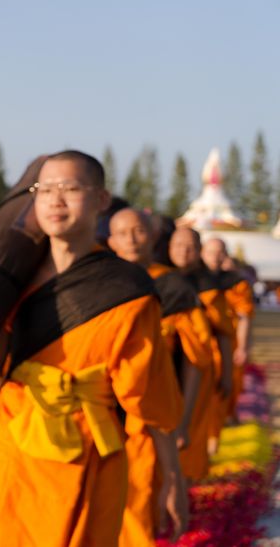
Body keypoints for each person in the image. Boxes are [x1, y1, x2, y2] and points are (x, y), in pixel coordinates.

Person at [0, 150, 184, 546]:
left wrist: (171, 476)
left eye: (70, 188)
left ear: (101, 200)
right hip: (14, 442)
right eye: (45, 189)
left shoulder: (127, 289)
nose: (55, 199)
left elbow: (149, 396)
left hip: (88, 451)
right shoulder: (12, 278)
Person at [107, 207, 205, 545]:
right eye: (122, 233)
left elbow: (195, 360)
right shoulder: (101, 282)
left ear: (153, 236)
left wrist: (184, 418)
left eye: (139, 231)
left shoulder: (172, 286)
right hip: (101, 413)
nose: (131, 240)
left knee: (138, 506)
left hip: (151, 418)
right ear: (110, 240)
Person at [169, 228, 235, 455]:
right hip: (165, 365)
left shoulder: (206, 284)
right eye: (178, 245)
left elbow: (224, 333)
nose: (183, 252)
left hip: (197, 366)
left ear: (198, 251)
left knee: (189, 439)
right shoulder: (161, 277)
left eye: (190, 247)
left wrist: (227, 374)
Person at [202, 237, 255, 424]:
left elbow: (244, 317)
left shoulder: (236, 283)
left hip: (229, 341)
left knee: (229, 384)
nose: (215, 258)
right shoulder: (194, 280)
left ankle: (223, 421)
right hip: (201, 342)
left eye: (219, 253)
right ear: (202, 253)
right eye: (210, 253)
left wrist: (242, 346)